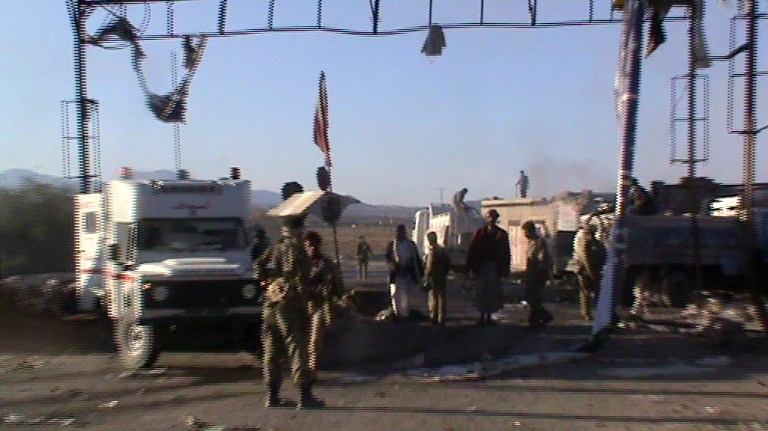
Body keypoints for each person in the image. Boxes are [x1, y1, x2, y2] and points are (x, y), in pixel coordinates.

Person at [254, 218, 323, 409]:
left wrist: (267, 283)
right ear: (299, 230)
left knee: (271, 349)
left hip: (271, 302)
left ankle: (272, 395)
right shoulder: (298, 248)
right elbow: (304, 277)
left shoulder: (276, 247)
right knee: (297, 347)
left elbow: (259, 265)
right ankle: (304, 395)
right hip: (291, 304)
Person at [303, 231, 345, 375]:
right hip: (301, 306)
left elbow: (338, 287)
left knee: (315, 340)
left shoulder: (327, 264)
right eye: (309, 245)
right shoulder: (300, 264)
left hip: (319, 306)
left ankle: (312, 371)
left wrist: (341, 298)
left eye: (314, 245)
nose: (312, 248)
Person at [466, 209, 510, 326]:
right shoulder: (480, 233)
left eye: (493, 217)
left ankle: (489, 316)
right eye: (489, 217)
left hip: (494, 266)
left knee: (492, 292)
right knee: (481, 292)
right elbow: (472, 250)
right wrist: (470, 267)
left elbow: (506, 252)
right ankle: (481, 316)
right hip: (481, 266)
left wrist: (505, 269)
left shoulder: (501, 234)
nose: (491, 220)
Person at [385, 224, 424, 321]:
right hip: (396, 274)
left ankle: (405, 313)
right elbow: (388, 257)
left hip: (408, 273)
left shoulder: (410, 245)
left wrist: (421, 274)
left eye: (401, 231)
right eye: (398, 232)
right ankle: (397, 312)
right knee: (395, 294)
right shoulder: (391, 245)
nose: (400, 234)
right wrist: (392, 265)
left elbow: (416, 259)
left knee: (407, 294)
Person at [521, 220, 554, 330]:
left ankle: (535, 321)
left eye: (526, 232)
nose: (524, 234)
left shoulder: (539, 242)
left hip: (537, 275)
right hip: (531, 274)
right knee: (531, 299)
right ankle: (542, 317)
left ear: (531, 231)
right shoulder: (531, 242)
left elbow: (542, 259)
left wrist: (540, 274)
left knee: (534, 299)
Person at [572, 220, 606, 320]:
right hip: (585, 270)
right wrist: (591, 272)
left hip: (595, 269)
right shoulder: (584, 242)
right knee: (586, 292)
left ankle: (598, 312)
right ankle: (587, 313)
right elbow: (585, 258)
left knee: (595, 291)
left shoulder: (595, 242)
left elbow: (603, 254)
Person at [423, 231, 452, 325]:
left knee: (434, 297)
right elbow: (448, 263)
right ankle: (441, 317)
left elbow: (430, 266)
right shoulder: (442, 250)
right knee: (441, 297)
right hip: (441, 276)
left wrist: (427, 277)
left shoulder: (433, 250)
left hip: (435, 276)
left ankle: (434, 316)